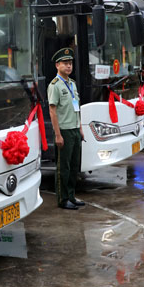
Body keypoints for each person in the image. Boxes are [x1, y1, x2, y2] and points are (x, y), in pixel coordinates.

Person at [47, 48, 86, 210]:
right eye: (65, 64)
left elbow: (76, 108)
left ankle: (71, 195)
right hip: (64, 130)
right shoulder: (55, 86)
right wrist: (57, 134)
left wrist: (80, 127)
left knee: (74, 165)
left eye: (70, 64)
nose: (68, 66)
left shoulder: (72, 84)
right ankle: (63, 199)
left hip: (75, 129)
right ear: (57, 65)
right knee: (64, 167)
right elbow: (52, 111)